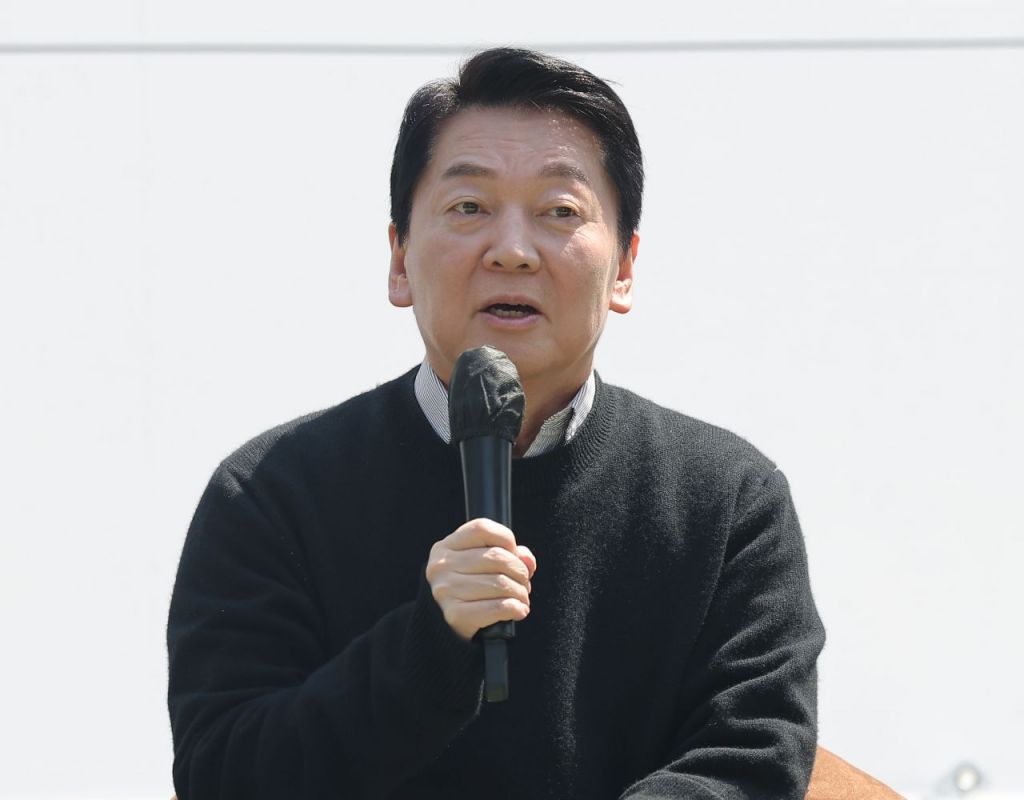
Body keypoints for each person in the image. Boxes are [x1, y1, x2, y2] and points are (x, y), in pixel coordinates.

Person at [167, 47, 826, 799]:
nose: (512, 252)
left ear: (625, 268)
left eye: (560, 212)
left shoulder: (728, 501)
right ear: (399, 259)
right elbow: (224, 773)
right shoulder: (271, 491)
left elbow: (752, 758)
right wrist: (427, 648)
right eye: (469, 208)